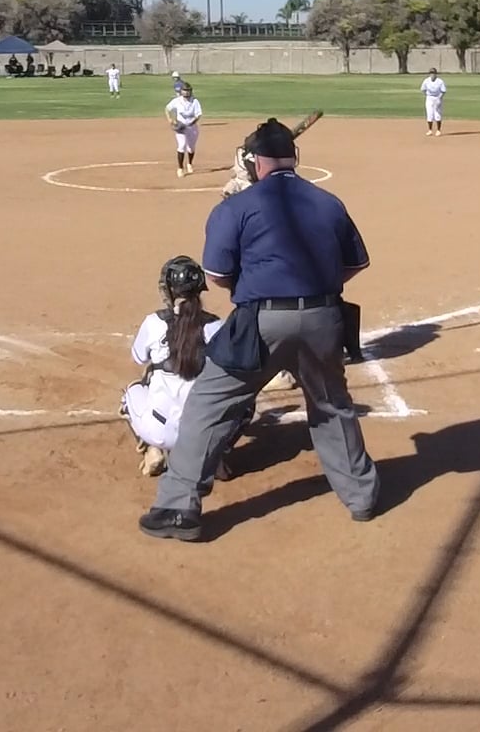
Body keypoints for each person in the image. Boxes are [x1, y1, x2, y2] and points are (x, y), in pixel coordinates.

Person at [140, 118, 378, 542]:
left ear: (254, 163)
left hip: (261, 321)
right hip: (325, 318)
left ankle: (178, 509)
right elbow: (355, 263)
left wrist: (258, 287)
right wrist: (316, 285)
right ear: (295, 157)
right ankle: (362, 497)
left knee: (209, 404)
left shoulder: (236, 207)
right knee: (331, 405)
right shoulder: (328, 202)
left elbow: (217, 274)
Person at [120, 256, 229, 478]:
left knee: (132, 391)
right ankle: (216, 457)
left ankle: (153, 451)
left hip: (159, 431)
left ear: (169, 290)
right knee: (244, 403)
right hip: (203, 434)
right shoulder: (215, 326)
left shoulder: (154, 322)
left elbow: (138, 358)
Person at [165, 81, 203, 177]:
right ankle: (180, 168)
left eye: (188, 90)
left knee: (191, 148)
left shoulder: (195, 101)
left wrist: (191, 123)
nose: (186, 92)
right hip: (181, 128)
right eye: (184, 90)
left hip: (192, 128)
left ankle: (189, 163)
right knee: (181, 146)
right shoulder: (177, 101)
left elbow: (198, 115)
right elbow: (167, 108)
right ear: (181, 91)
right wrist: (170, 120)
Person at [420, 68, 447, 135]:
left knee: (437, 114)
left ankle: (438, 130)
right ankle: (430, 130)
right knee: (429, 114)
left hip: (437, 97)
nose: (432, 75)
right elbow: (423, 89)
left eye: (433, 73)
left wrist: (439, 98)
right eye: (431, 73)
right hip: (429, 98)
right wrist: (427, 95)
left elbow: (443, 91)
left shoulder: (440, 81)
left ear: (436, 74)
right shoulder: (426, 81)